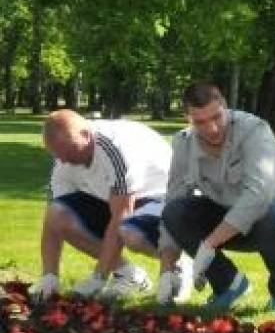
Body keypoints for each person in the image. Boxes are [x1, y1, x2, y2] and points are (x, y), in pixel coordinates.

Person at [160, 82, 275, 314]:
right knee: (174, 212)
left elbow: (259, 195)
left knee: (274, 217)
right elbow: (174, 197)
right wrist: (167, 269)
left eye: (217, 117)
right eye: (200, 122)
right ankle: (228, 284)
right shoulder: (183, 143)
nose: (212, 128)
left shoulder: (255, 130)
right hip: (225, 215)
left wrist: (208, 245)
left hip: (274, 217)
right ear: (187, 118)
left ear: (225, 107)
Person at [30, 109, 180, 302]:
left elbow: (120, 218)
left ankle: (177, 264)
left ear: (86, 135)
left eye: (69, 151)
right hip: (115, 198)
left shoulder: (115, 150)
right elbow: (52, 221)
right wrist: (49, 276)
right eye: (57, 154)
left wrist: (98, 277)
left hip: (162, 198)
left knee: (131, 234)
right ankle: (128, 274)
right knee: (58, 213)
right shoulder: (64, 159)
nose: (64, 160)